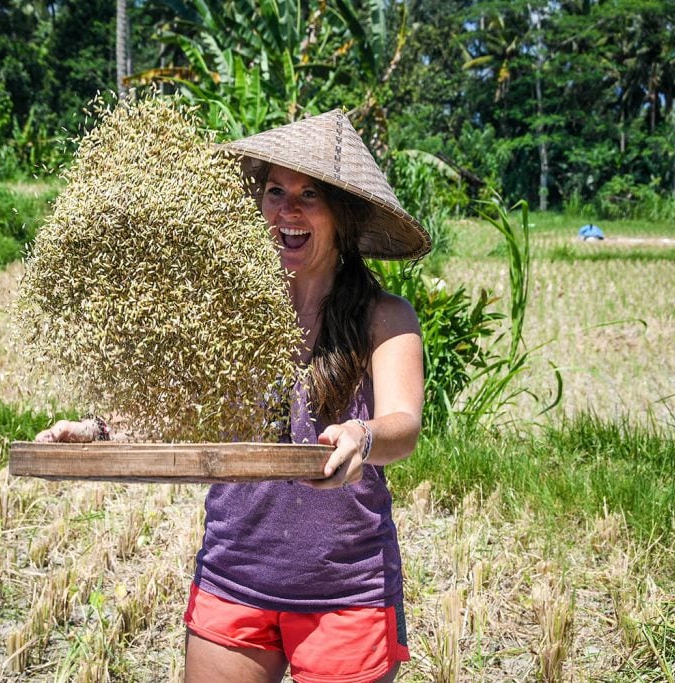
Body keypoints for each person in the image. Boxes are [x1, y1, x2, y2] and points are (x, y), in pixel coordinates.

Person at [37, 109, 430, 683]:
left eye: (309, 195)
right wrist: (98, 430)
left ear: (343, 216)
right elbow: (174, 407)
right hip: (234, 576)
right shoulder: (226, 315)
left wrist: (361, 436)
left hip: (347, 590)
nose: (287, 210)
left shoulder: (384, 316)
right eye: (275, 191)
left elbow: (404, 424)